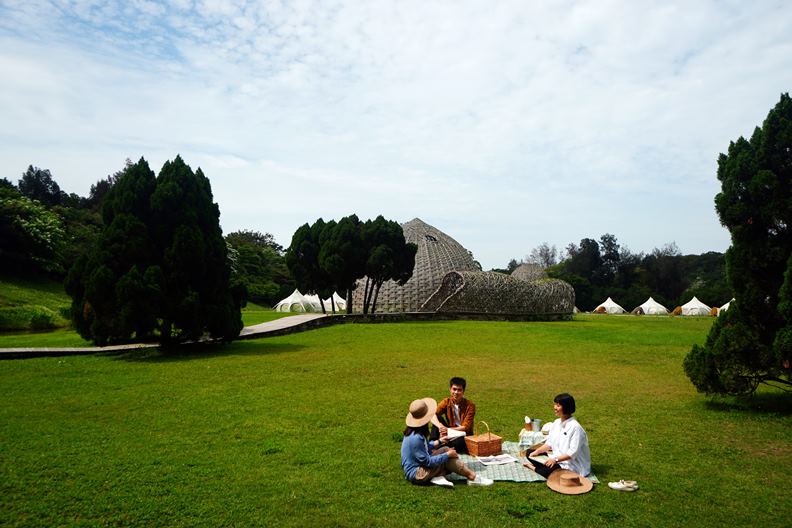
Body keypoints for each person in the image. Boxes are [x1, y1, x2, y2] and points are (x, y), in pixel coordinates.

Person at [401, 397, 493, 487]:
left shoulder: (414, 432)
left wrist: (440, 441)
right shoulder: (416, 438)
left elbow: (424, 447)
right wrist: (447, 455)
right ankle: (472, 477)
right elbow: (428, 462)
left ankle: (442, 475)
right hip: (417, 474)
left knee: (445, 449)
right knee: (447, 458)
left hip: (420, 466)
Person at [522, 393, 591, 478]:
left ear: (566, 407)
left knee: (548, 472)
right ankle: (543, 466)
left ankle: (534, 467)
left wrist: (555, 460)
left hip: (572, 464)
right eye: (555, 404)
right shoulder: (556, 422)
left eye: (558, 406)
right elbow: (549, 443)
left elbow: (572, 453)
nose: (555, 407)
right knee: (529, 452)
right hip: (556, 458)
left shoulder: (576, 428)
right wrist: (537, 451)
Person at [433, 377, 476, 453]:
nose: (456, 392)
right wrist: (441, 427)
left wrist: (447, 430)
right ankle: (432, 443)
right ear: (450, 389)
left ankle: (439, 446)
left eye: (459, 390)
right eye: (454, 389)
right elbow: (432, 414)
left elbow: (466, 427)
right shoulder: (446, 402)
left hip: (463, 434)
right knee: (438, 418)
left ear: (463, 391)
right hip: (449, 431)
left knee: (459, 443)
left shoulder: (470, 406)